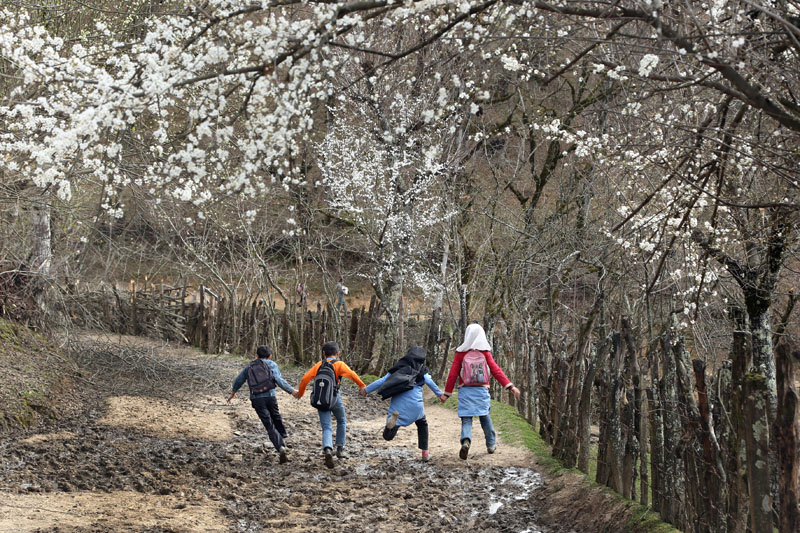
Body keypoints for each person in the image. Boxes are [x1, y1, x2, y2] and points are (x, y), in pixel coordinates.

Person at [440, 323, 521, 460]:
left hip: (465, 390)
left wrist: (447, 393)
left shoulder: (461, 353)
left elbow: (453, 375)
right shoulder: (485, 353)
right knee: (485, 417)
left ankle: (466, 440)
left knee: (466, 419)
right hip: (482, 390)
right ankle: (491, 445)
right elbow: (496, 371)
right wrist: (510, 386)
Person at [362, 346, 445, 462]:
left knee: (388, 437)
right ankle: (425, 453)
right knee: (422, 424)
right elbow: (429, 381)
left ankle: (390, 426)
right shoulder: (422, 370)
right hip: (416, 405)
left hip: (398, 405)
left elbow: (382, 381)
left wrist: (366, 390)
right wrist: (439, 394)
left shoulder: (399, 367)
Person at [294, 341, 366, 468]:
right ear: (338, 354)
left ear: (323, 353)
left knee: (327, 426)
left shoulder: (319, 365)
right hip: (334, 398)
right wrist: (362, 386)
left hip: (320, 399)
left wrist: (301, 392)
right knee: (342, 420)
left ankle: (327, 448)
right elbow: (352, 375)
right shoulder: (339, 364)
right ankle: (339, 449)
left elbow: (305, 378)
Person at [227, 345, 295, 464]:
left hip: (256, 398)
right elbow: (279, 380)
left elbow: (239, 379)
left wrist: (233, 392)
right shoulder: (272, 364)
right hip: (270, 396)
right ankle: (283, 436)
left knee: (268, 424)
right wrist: (292, 391)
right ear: (270, 356)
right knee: (276, 415)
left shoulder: (249, 366)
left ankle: (280, 447)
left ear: (257, 355)